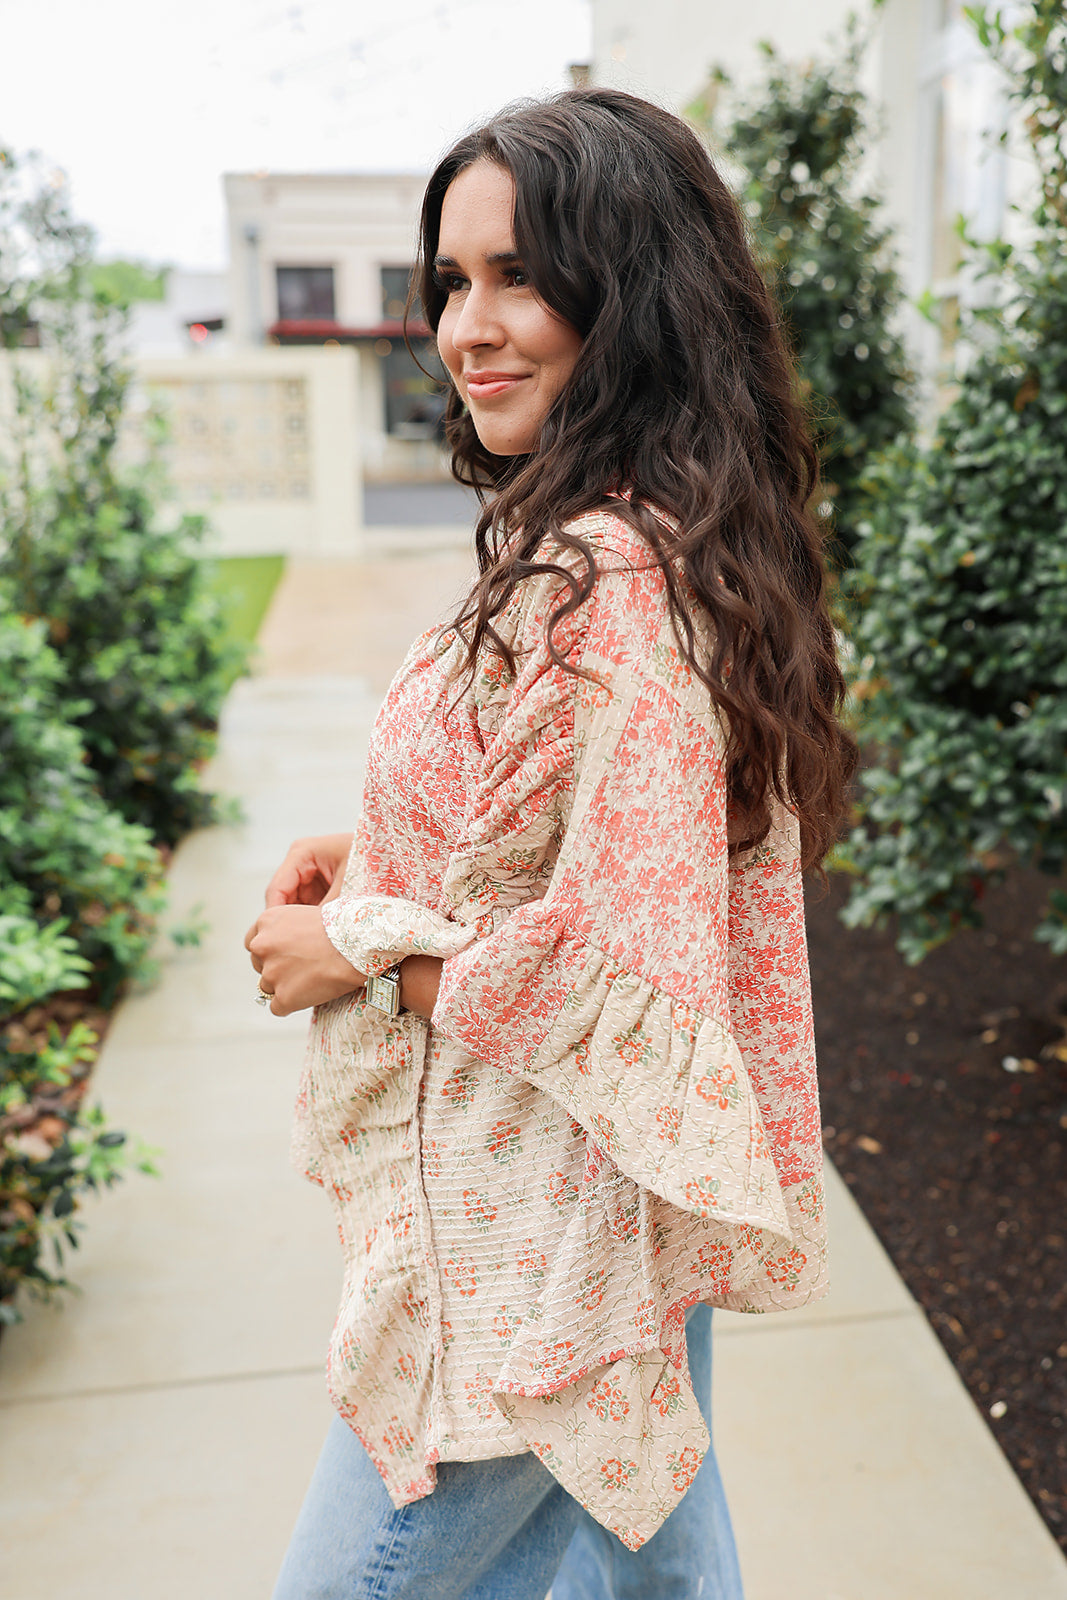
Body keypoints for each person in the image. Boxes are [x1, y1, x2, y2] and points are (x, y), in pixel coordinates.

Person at [246, 86, 856, 1600]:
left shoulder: (607, 582)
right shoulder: (654, 533)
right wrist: (390, 847)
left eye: (522, 274)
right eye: (452, 283)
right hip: (599, 1212)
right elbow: (594, 839)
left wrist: (361, 954)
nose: (470, 326)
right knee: (648, 1562)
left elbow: (609, 973)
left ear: (631, 288)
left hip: (529, 1255)